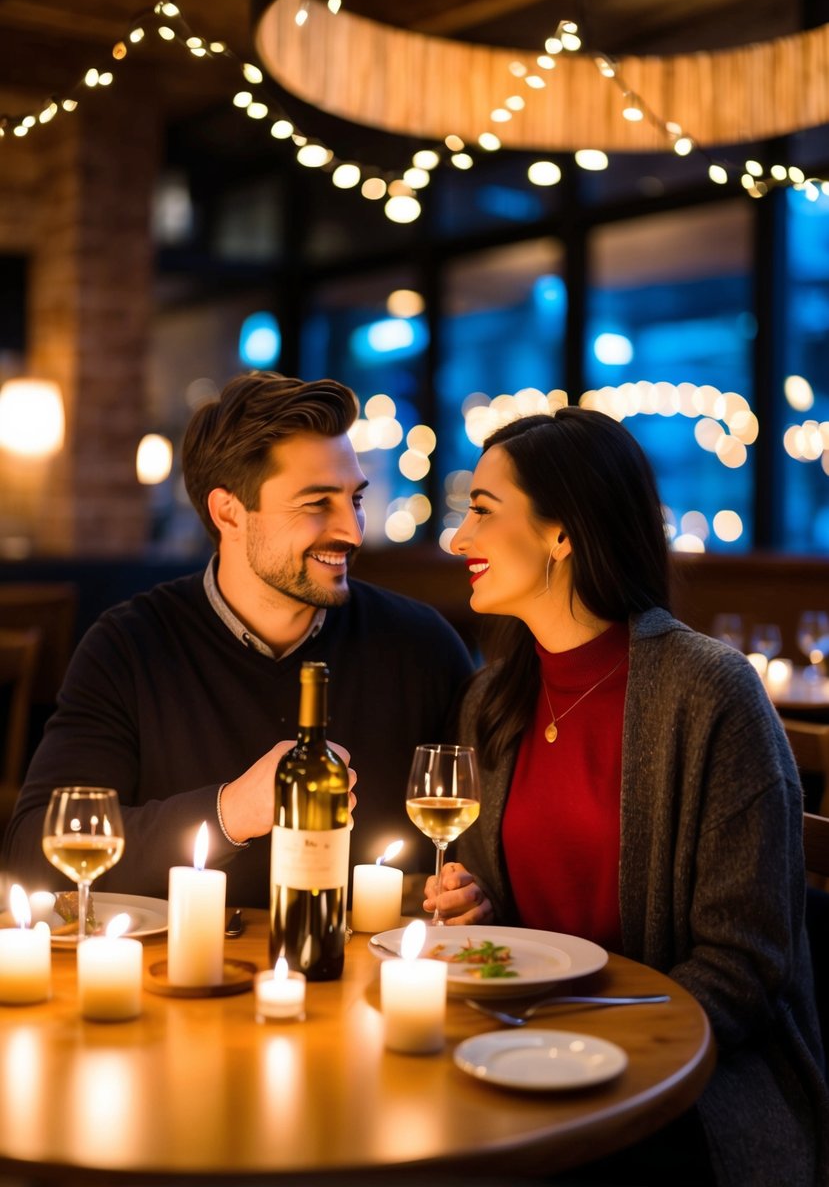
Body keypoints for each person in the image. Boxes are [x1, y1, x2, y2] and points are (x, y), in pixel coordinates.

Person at [424, 408, 828, 1187]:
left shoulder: (708, 694)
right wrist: (465, 905)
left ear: (562, 533)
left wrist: (582, 1042)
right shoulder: (489, 702)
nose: (457, 539)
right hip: (512, 1061)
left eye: (480, 511)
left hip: (685, 1088)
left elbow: (746, 966)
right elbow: (496, 925)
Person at [3, 372, 473, 902]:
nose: (352, 530)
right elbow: (36, 854)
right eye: (318, 503)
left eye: (355, 499)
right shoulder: (130, 647)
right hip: (170, 980)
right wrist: (232, 811)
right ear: (228, 512)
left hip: (373, 976)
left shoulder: (421, 646)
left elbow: (474, 847)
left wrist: (470, 890)